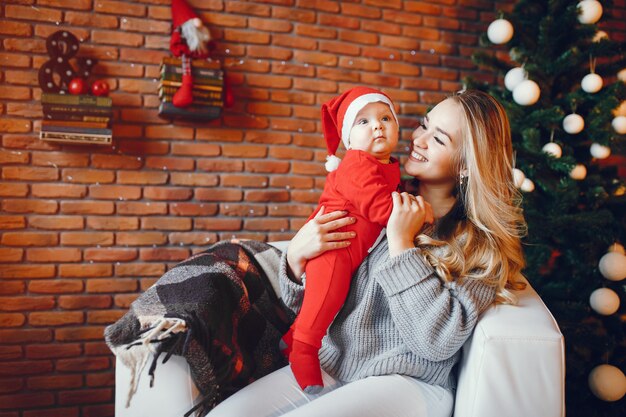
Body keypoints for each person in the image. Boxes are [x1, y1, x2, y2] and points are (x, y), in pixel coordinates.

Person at [208, 89, 527, 417]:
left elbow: (436, 341)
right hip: (333, 365)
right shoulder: (376, 198)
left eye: (439, 139)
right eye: (423, 125)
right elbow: (308, 307)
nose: (419, 139)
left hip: (407, 382)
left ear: (466, 164)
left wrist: (402, 245)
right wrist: (295, 260)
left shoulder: (480, 245)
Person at [284, 86, 402, 393]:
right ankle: (303, 349)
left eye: (385, 117)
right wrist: (421, 211)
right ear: (349, 139)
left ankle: (290, 336)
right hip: (333, 245)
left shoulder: (386, 166)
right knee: (326, 299)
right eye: (363, 121)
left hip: (350, 247)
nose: (377, 125)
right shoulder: (358, 164)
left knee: (324, 303)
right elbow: (381, 209)